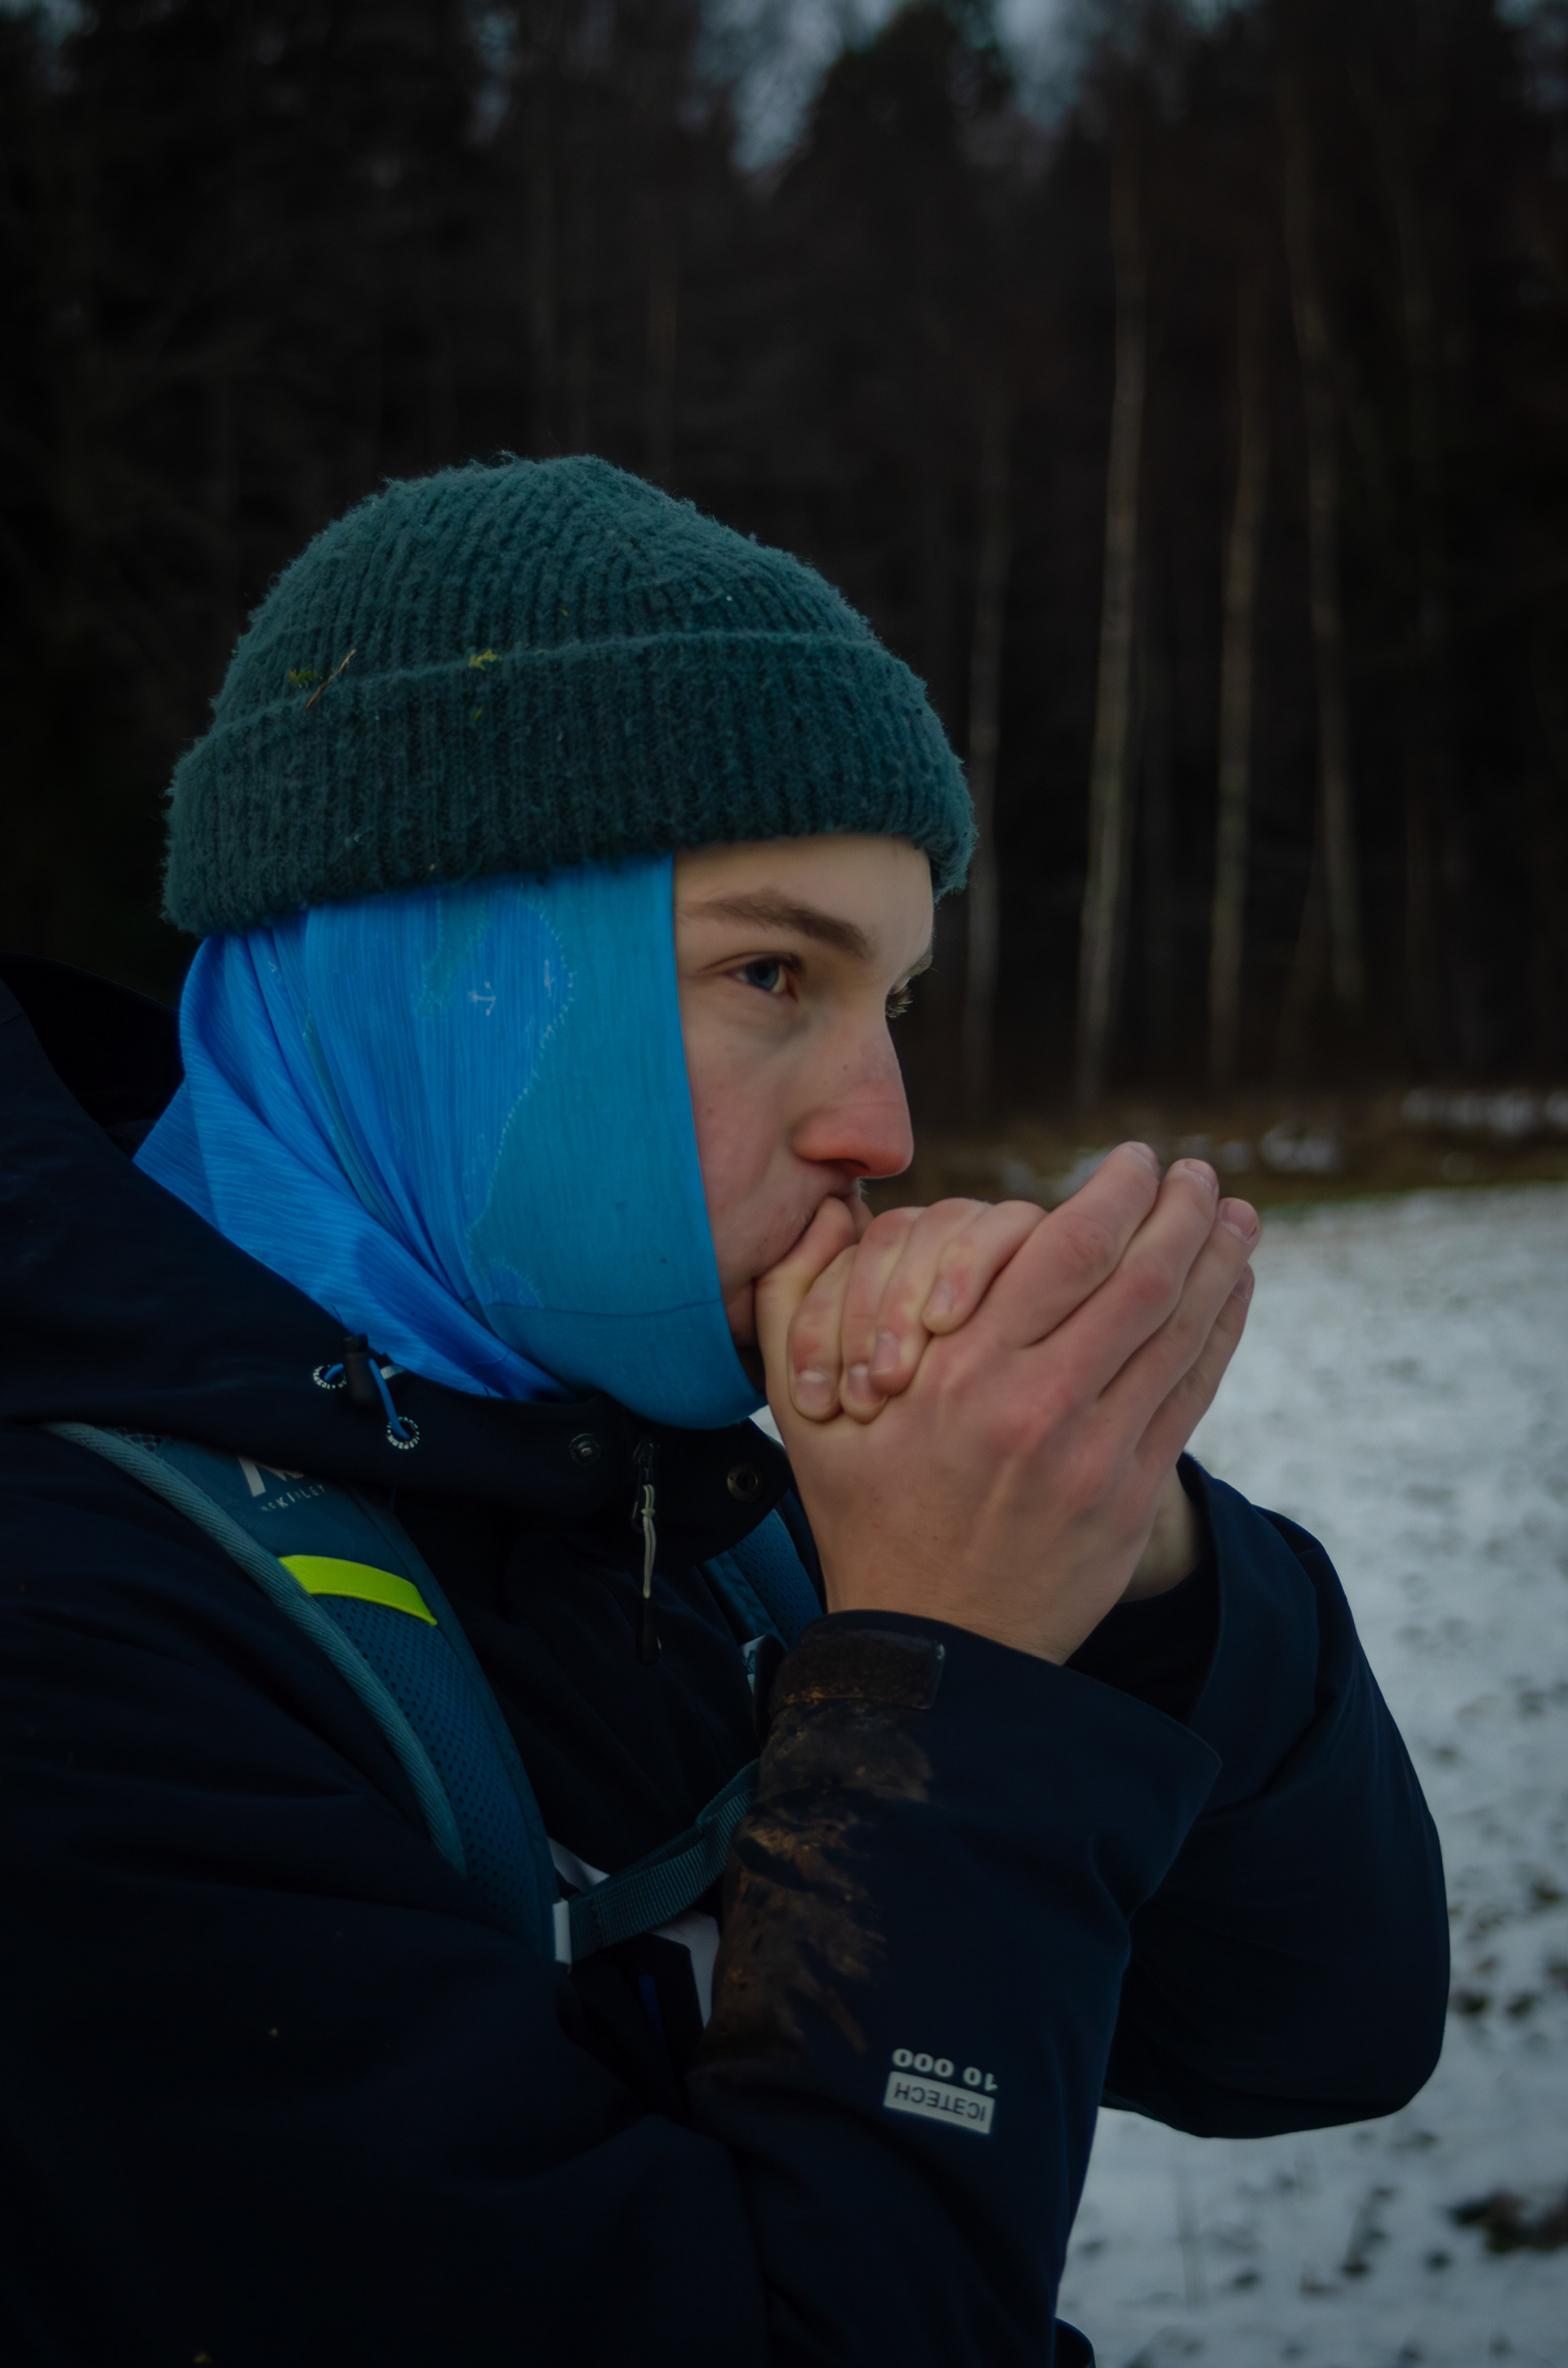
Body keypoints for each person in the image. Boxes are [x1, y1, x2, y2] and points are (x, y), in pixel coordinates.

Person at [0, 457, 1447, 2368]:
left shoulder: (681, 1494)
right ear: (431, 973)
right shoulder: (75, 1641)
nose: (884, 1127)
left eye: (891, 999)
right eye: (772, 971)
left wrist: (1127, 1550)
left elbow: (1316, 2029)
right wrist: (938, 1686)